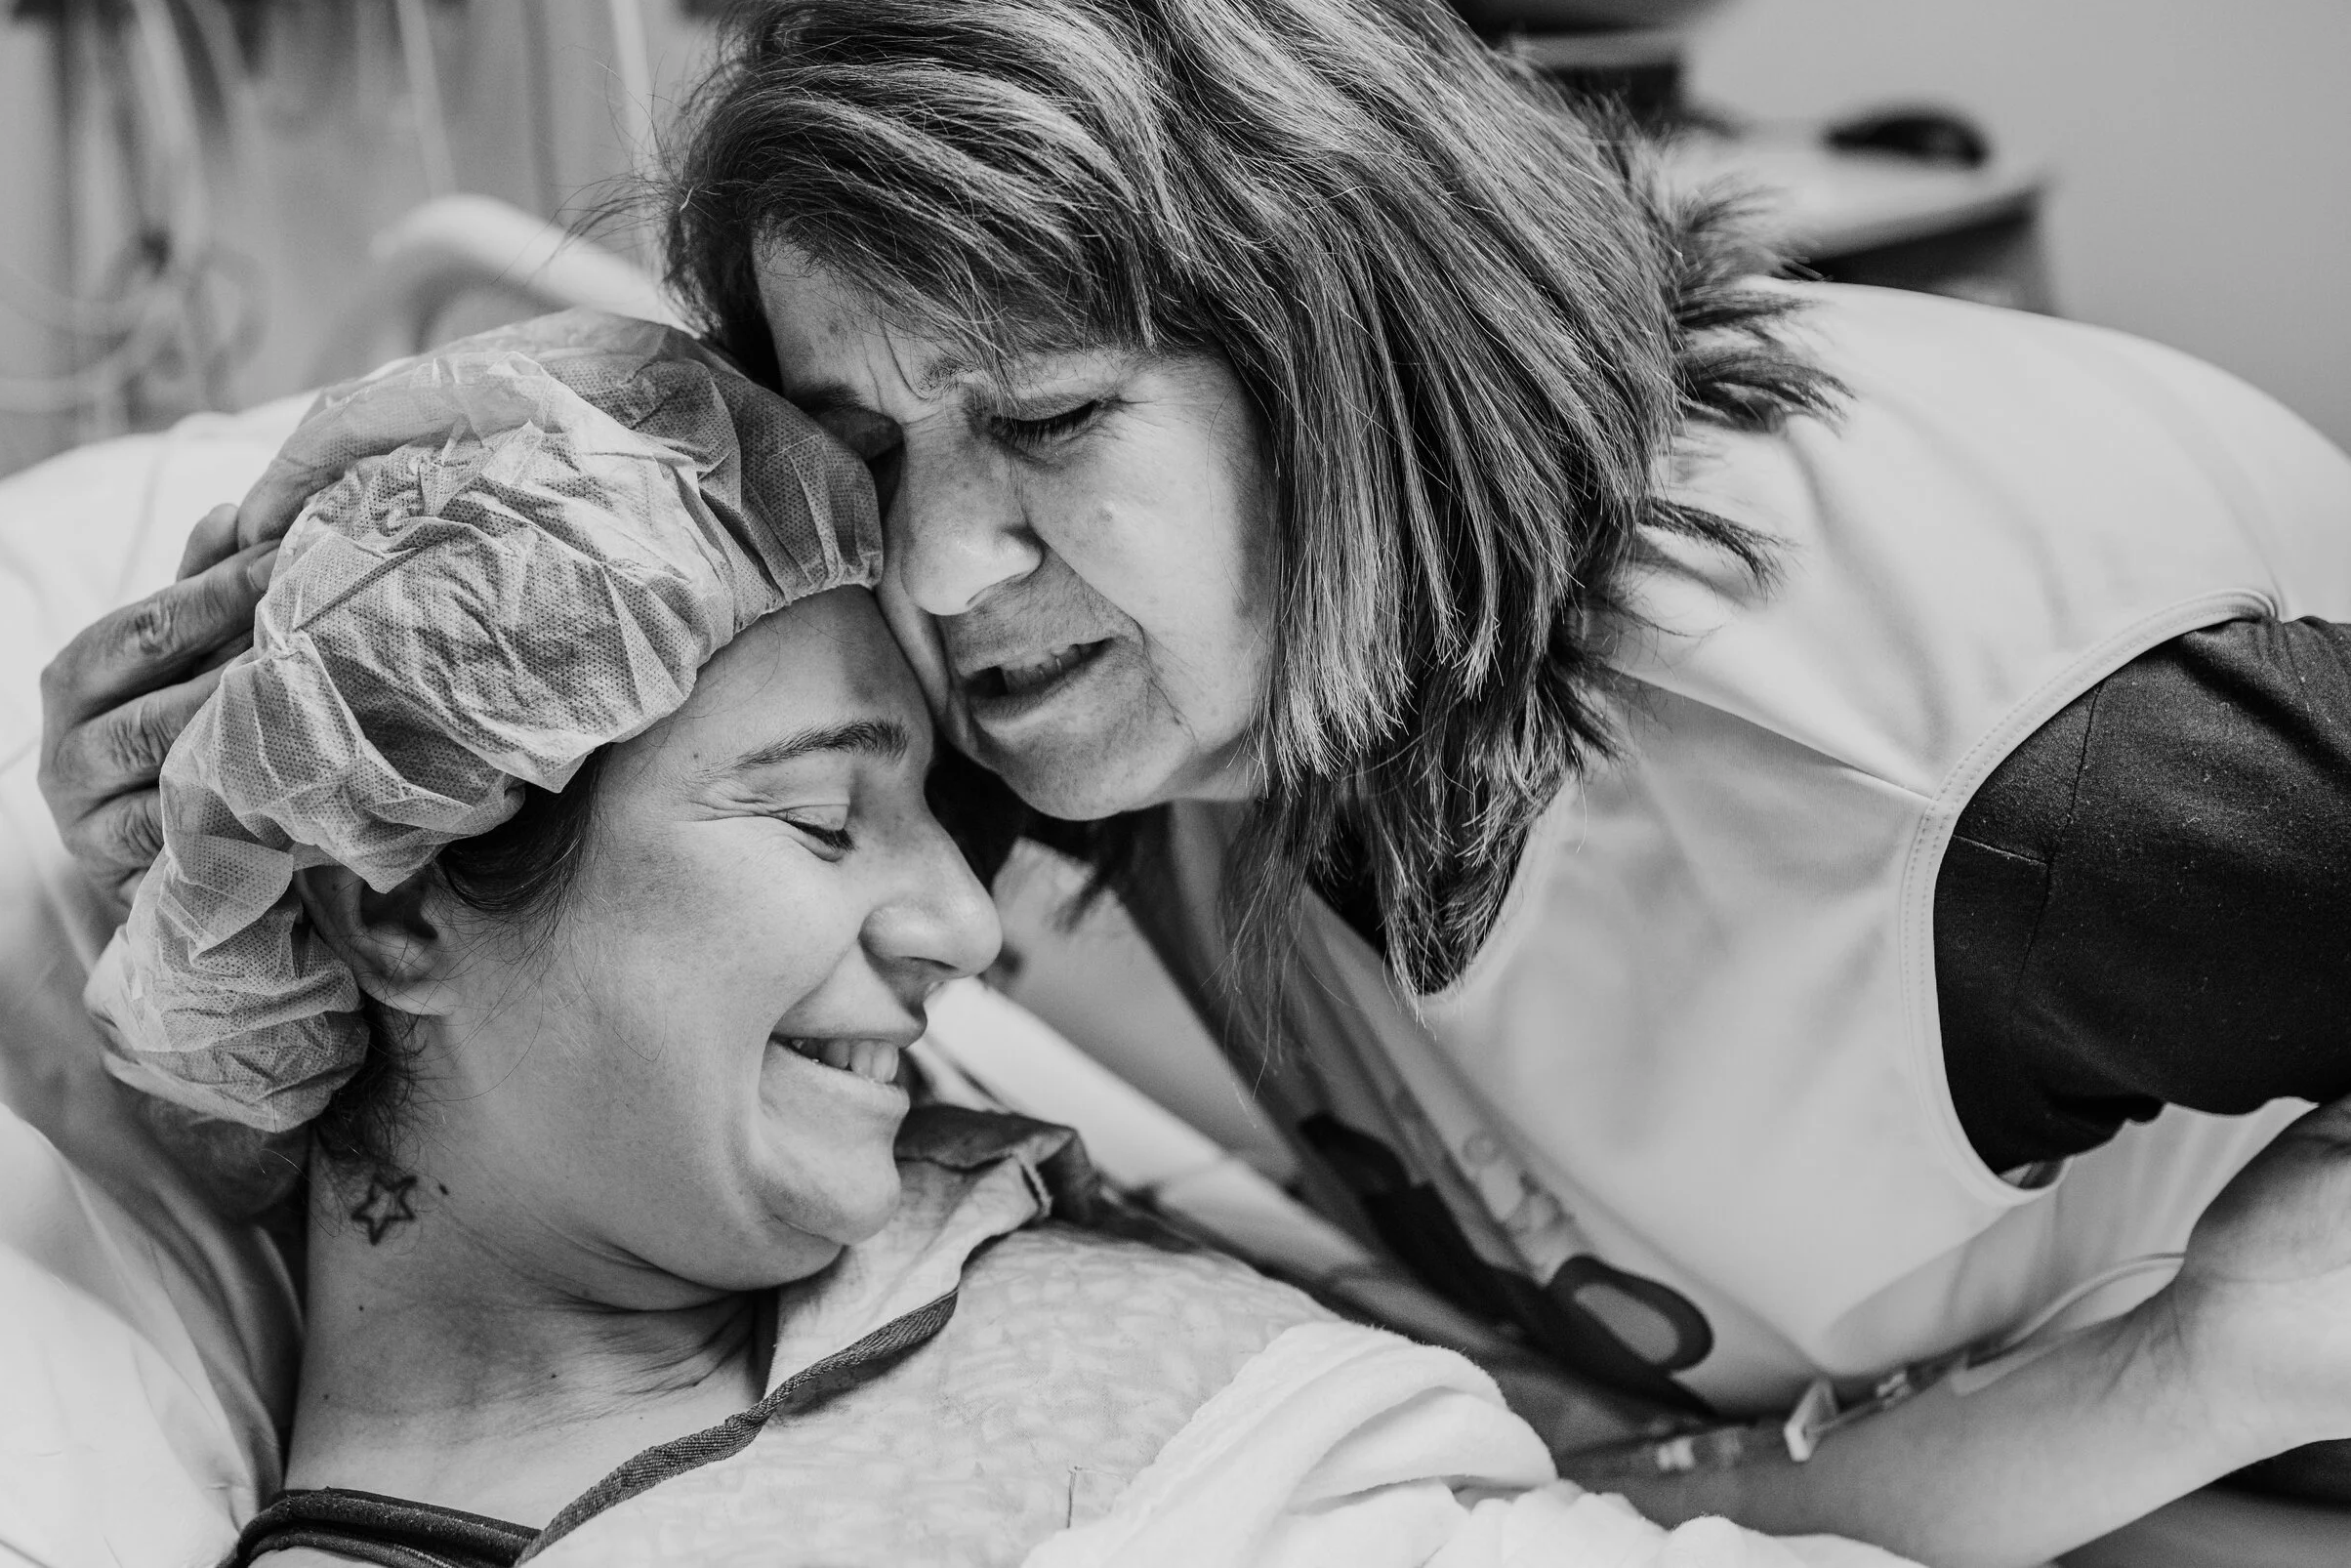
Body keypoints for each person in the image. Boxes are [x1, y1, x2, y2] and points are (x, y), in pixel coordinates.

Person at [40, 0, 2351, 1562]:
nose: (936, 568)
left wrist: (2217, 1376)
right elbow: (524, 709)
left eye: (1048, 417)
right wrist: (305, 693)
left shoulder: (2060, 798)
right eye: (863, 439)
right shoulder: (1081, 666)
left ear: (1344, 360)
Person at [104, 312, 1891, 1568]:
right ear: (394, 900)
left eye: (933, 818)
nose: (965, 921)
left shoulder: (943, 1210)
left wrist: (2095, 1396)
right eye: (822, 818)